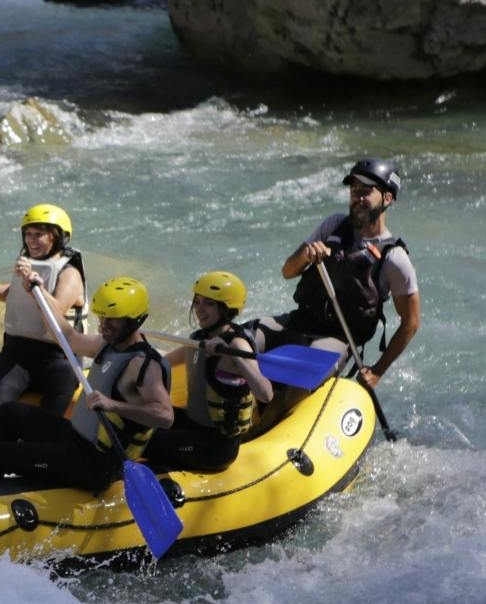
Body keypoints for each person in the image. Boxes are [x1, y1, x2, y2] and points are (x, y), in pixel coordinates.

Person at [0, 277, 173, 493]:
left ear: (134, 320)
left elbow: (165, 416)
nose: (104, 324)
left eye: (112, 319)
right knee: (9, 412)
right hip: (75, 439)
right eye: (102, 316)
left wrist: (113, 405)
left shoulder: (142, 365)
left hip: (92, 465)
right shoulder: (107, 344)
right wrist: (38, 296)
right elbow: (66, 337)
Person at [258, 158, 420, 390]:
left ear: (387, 198)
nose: (357, 197)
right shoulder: (334, 225)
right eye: (354, 191)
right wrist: (306, 255)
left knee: (302, 379)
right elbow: (288, 271)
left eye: (366, 191)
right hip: (299, 321)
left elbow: (411, 322)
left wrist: (377, 371)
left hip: (337, 339)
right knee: (240, 339)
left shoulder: (394, 258)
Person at [0, 203, 86, 427]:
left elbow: (57, 311)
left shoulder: (70, 273)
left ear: (58, 237)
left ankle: (41, 444)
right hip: (16, 355)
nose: (31, 240)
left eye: (39, 234)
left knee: (50, 418)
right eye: (28, 234)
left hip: (58, 360)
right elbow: (10, 293)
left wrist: (35, 287)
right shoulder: (28, 265)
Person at [144, 271, 274, 472]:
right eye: (197, 302)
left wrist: (234, 356)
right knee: (135, 422)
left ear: (226, 309)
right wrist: (137, 346)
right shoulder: (200, 338)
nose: (199, 309)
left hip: (214, 446)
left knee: (142, 442)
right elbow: (165, 360)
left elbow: (266, 394)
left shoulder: (237, 344)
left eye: (209, 304)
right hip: (192, 426)